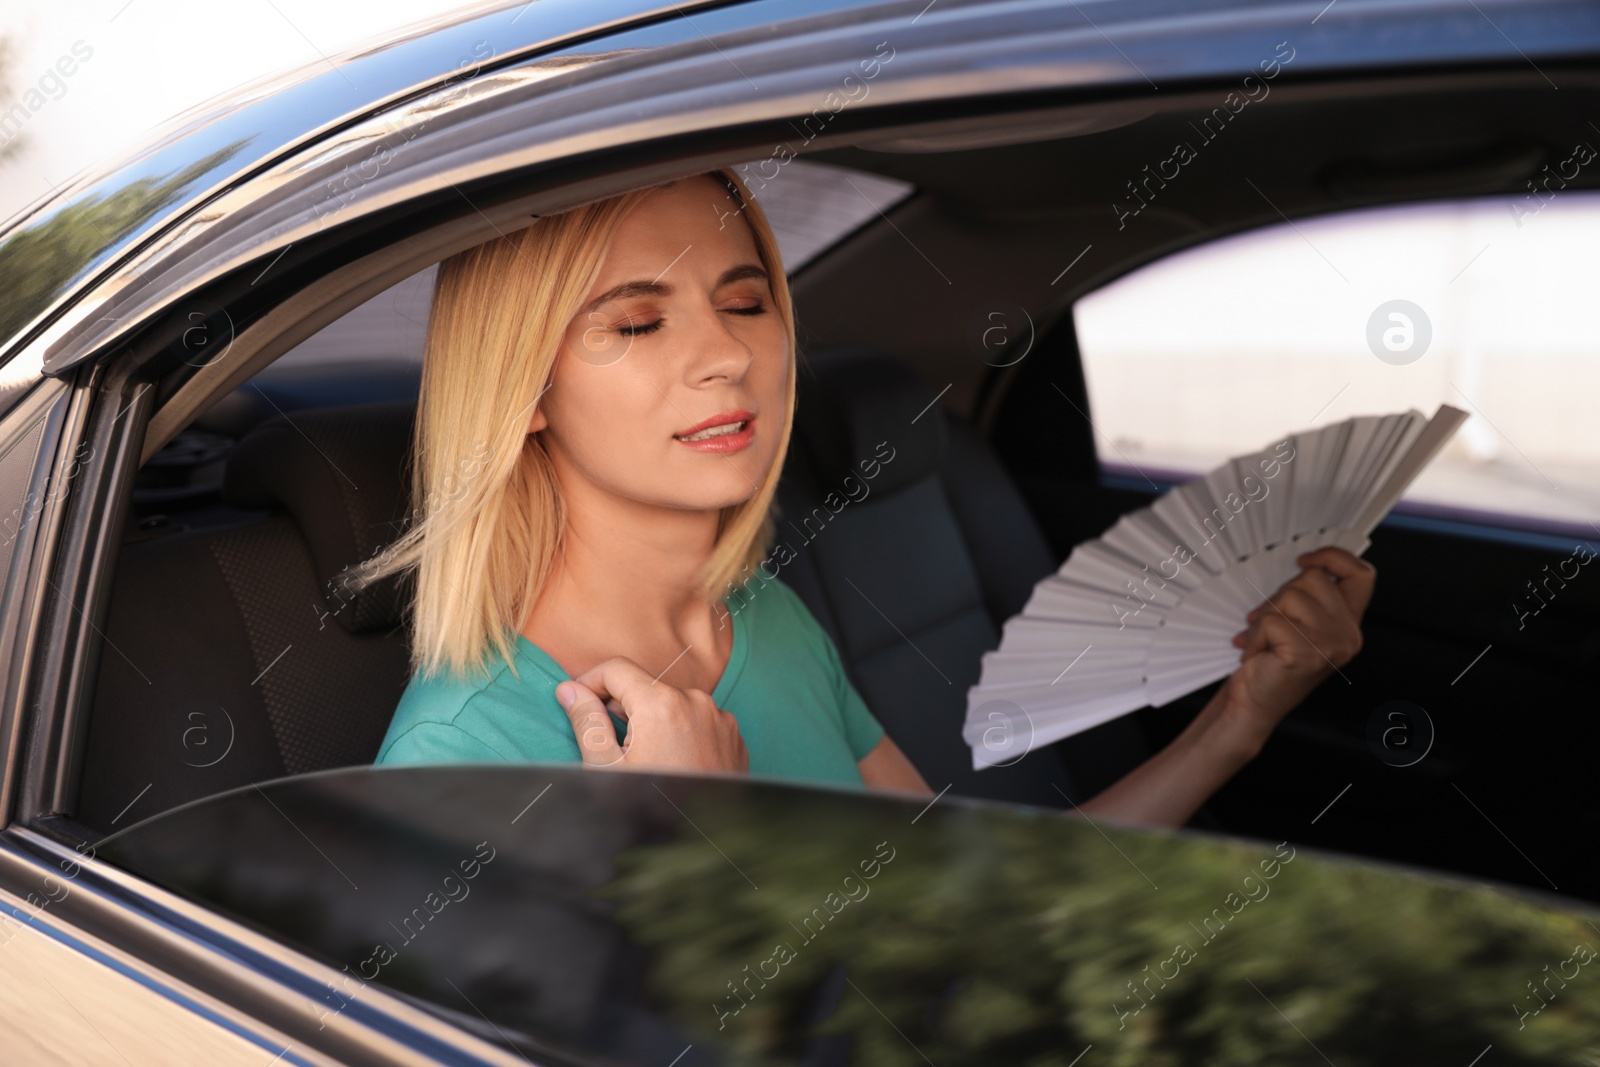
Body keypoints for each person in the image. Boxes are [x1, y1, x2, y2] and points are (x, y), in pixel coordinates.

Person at [368, 167, 1375, 829]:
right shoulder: (458, 754)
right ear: (524, 390)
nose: (725, 354)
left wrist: (1238, 719)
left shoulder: (764, 619)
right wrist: (699, 839)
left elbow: (957, 921)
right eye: (635, 323)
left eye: (745, 301)